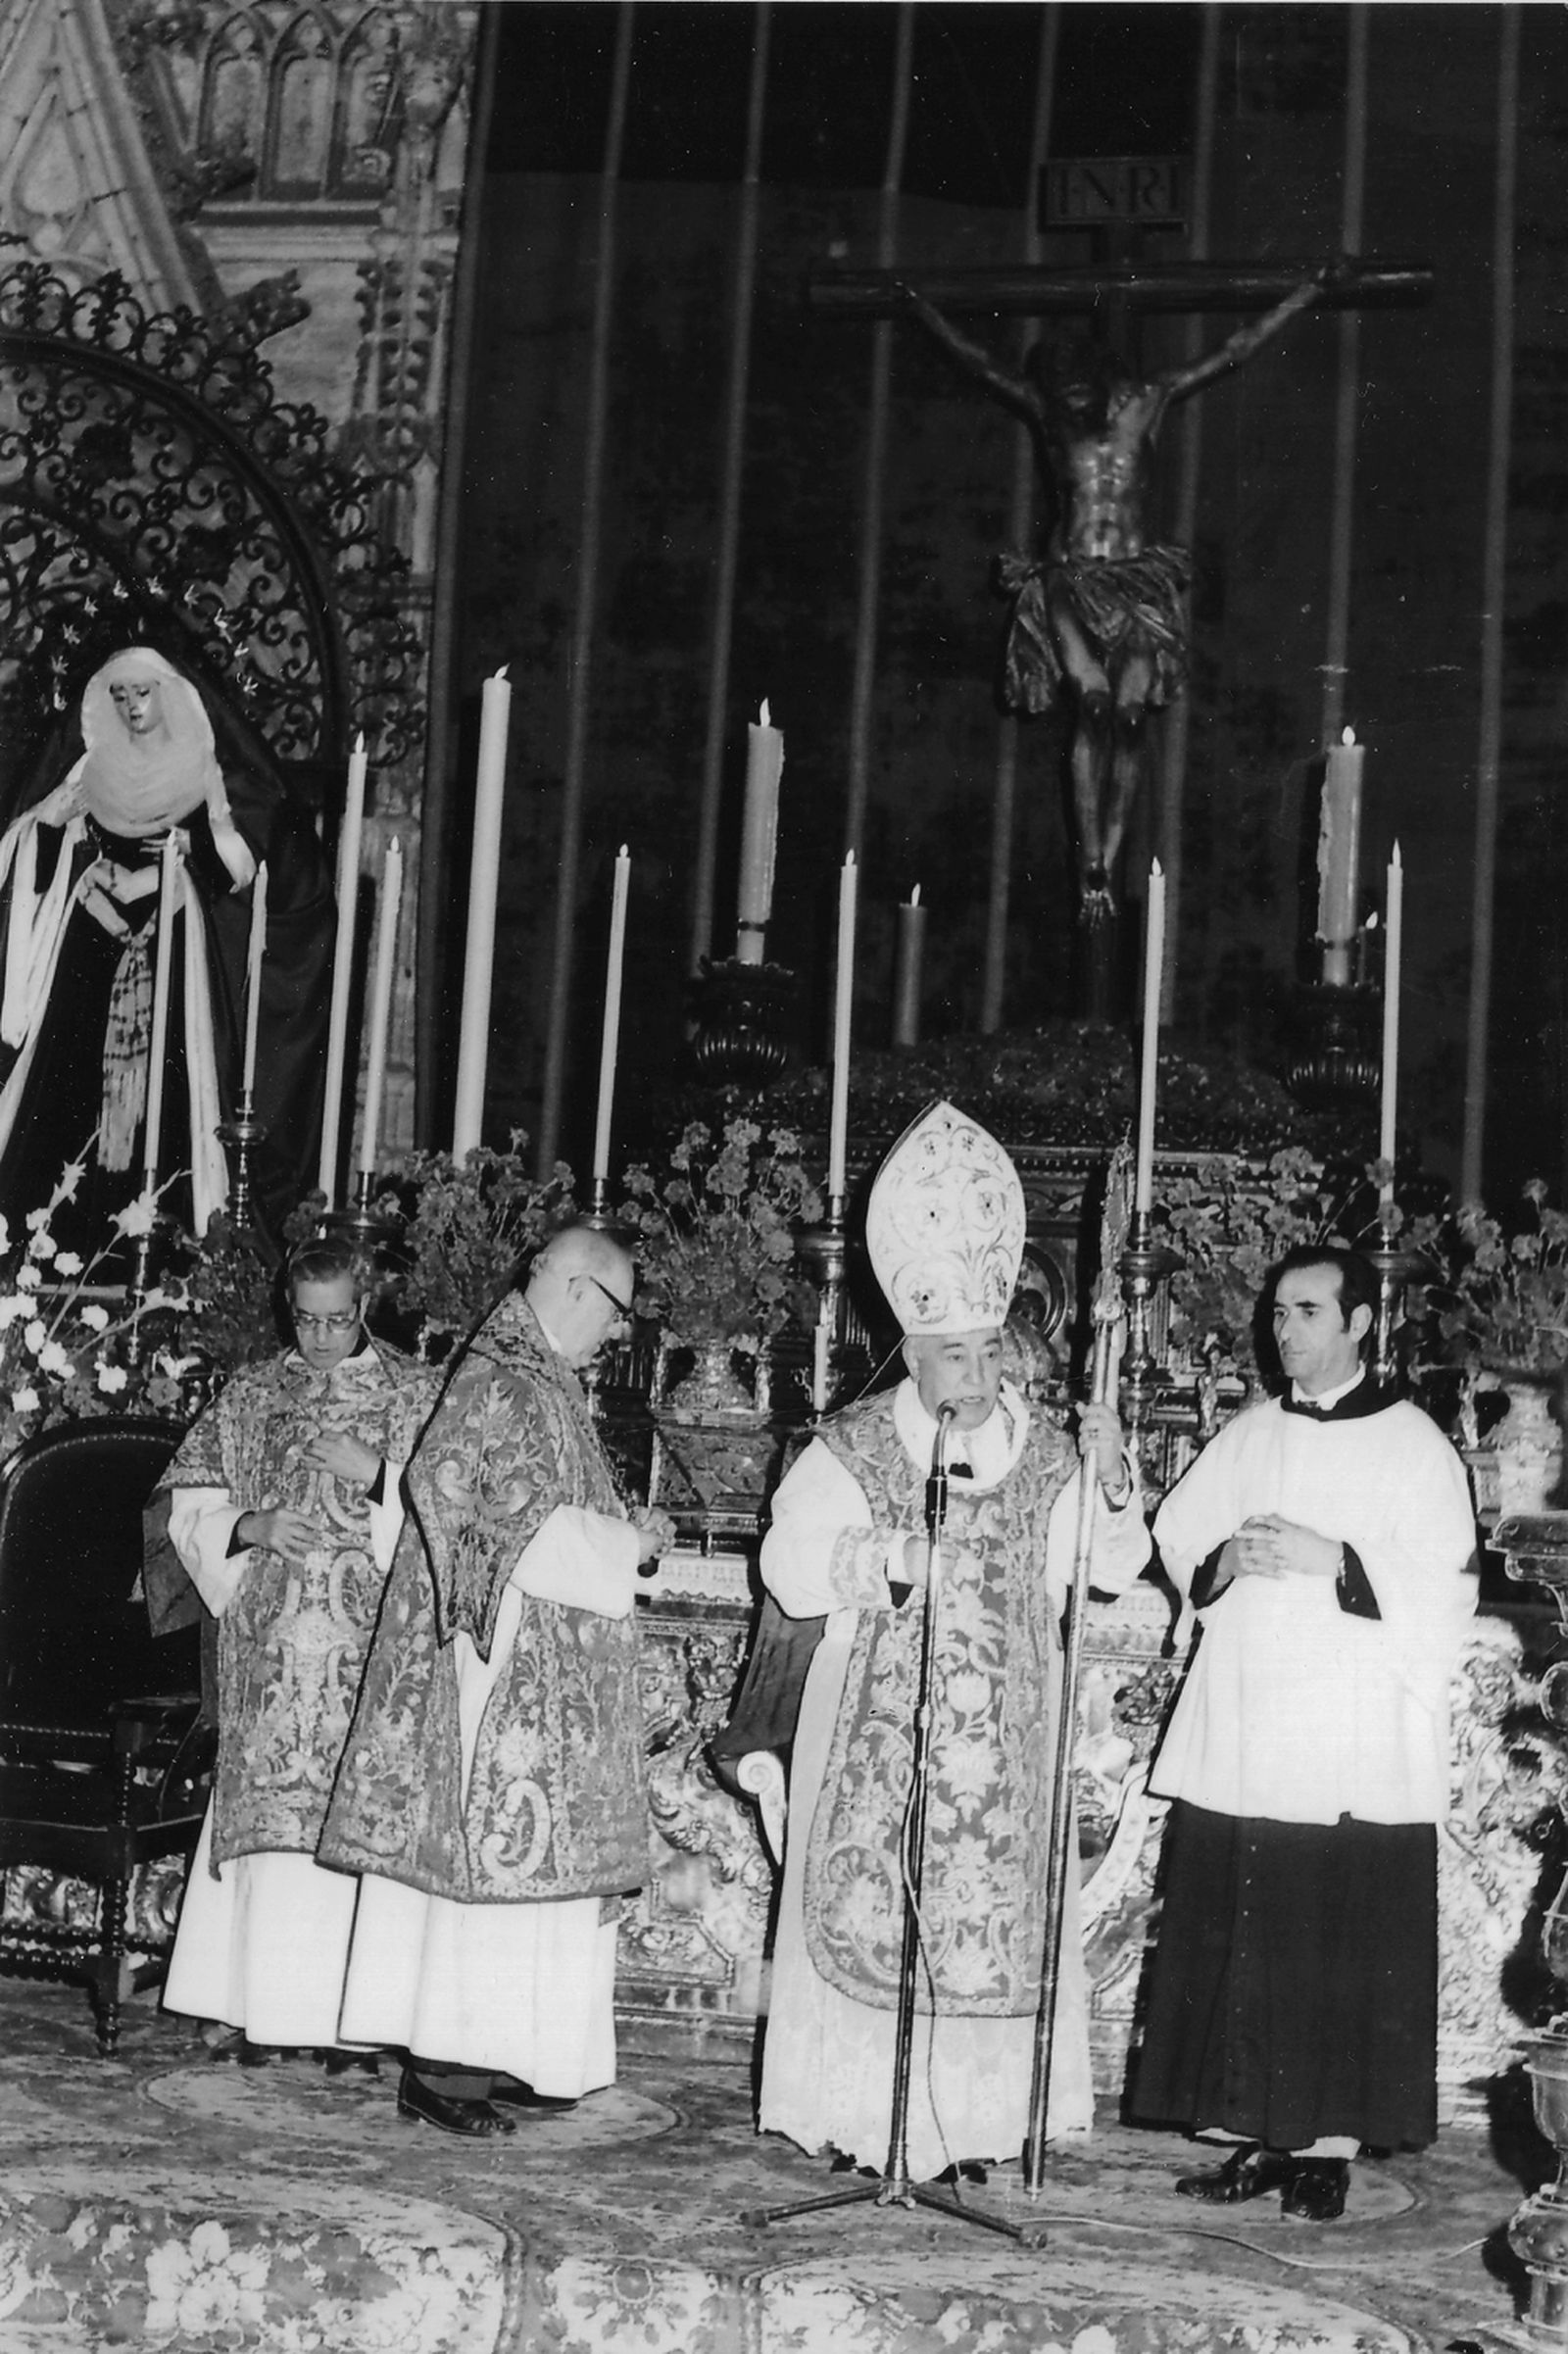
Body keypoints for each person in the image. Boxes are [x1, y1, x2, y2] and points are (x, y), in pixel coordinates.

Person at [757, 1101, 1151, 2182]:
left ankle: (969, 2129)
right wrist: (876, 1562)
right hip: (877, 1730)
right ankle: (863, 2120)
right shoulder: (849, 1444)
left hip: (1008, 1740)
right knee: (873, 1910)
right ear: (911, 1352)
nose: (974, 1377)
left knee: (987, 1931)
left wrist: (1111, 1473)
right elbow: (786, 1568)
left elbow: (1109, 1565)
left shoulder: (1046, 1448)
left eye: (986, 1350)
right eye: (952, 1356)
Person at [1130, 1244, 1478, 2222]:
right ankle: (1251, 2133)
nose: (1286, 1331)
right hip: (1250, 1723)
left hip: (1351, 1736)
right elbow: (1180, 1535)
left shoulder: (1415, 1444)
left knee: (1336, 1930)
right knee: (1250, 1928)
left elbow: (1447, 1585)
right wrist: (1224, 1554)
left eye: (1309, 1312)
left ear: (1361, 1323)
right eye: (1279, 1312)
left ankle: (1325, 2147)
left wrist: (1339, 1559)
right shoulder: (1248, 1433)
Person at [318, 1223, 675, 2137]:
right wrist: (626, 1546)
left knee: (518, 1876)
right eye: (618, 1316)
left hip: (533, 1664)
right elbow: (508, 1527)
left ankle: (491, 2051)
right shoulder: (511, 1379)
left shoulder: (532, 1374)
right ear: (582, 1290)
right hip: (498, 1674)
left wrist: (613, 1533)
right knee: (487, 1863)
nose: (614, 1337)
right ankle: (443, 2070)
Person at [899, 270, 1339, 926]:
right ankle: (1091, 864)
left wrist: (1308, 290)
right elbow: (978, 362)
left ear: (1103, 374)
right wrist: (918, 305)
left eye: (1077, 381)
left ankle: (1108, 848)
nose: (1069, 394)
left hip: (1136, 579)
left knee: (1131, 720)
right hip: (1070, 577)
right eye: (1058, 386)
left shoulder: (1148, 402)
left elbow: (1235, 348)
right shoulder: (1050, 416)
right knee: (1096, 707)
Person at [149, 1235, 438, 2059]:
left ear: (366, 1307)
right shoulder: (252, 1394)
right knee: (275, 1831)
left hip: (366, 1654)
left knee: (353, 1823)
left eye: (338, 1321)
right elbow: (183, 1507)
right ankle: (255, 2003)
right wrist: (250, 1525)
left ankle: (358, 2022)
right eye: (305, 1321)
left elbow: (452, 1515)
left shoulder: (414, 1394)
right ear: (288, 1308)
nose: (318, 1339)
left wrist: (377, 1471)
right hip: (269, 1653)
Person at [0, 644, 333, 1249]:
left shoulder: (204, 768)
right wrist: (64, 847)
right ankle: (55, 1244)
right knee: (66, 1099)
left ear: (170, 694)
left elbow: (236, 857)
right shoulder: (89, 765)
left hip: (171, 948)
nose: (130, 707)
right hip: (89, 948)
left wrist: (160, 879)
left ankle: (159, 1240)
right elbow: (38, 842)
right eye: (119, 696)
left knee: (169, 1095)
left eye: (142, 694)